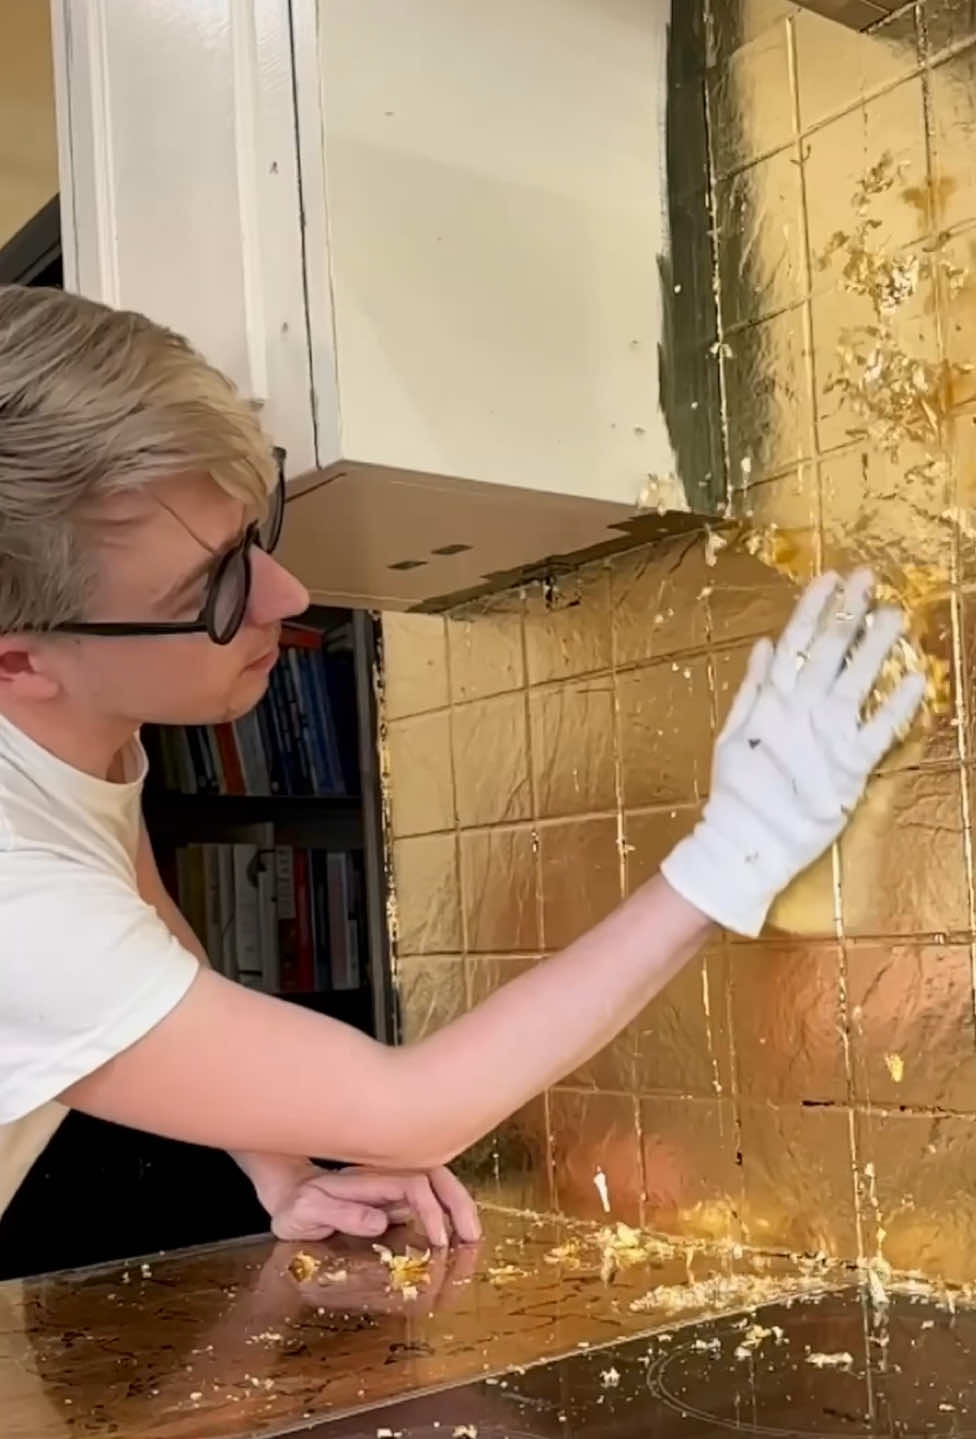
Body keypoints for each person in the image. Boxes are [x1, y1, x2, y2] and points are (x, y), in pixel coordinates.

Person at [0, 286, 923, 1258]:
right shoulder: (18, 899)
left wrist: (284, 1165)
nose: (289, 593)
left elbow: (133, 898)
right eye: (215, 589)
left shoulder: (73, 721)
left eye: (251, 535)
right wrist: (738, 852)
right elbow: (410, 1112)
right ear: (18, 662)